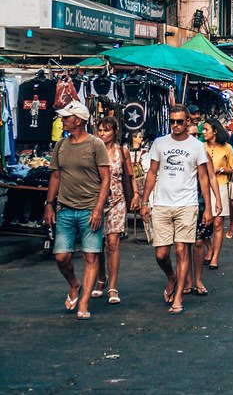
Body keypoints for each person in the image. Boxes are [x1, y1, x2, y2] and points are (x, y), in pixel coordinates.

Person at [141, 105, 213, 315]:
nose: (175, 125)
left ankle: (179, 295)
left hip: (187, 204)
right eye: (172, 121)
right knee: (161, 254)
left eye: (180, 121)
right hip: (162, 204)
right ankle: (171, 276)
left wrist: (208, 207)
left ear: (188, 121)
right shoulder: (160, 143)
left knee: (182, 250)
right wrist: (145, 201)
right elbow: (152, 173)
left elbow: (203, 178)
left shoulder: (196, 146)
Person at [43, 101, 110, 320]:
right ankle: (74, 284)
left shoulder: (95, 145)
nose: (62, 120)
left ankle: (84, 302)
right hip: (65, 209)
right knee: (61, 257)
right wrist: (49, 204)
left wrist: (99, 209)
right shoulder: (60, 146)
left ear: (78, 120)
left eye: (66, 117)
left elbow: (105, 178)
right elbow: (55, 176)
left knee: (91, 257)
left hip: (90, 209)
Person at [93, 117, 136, 305]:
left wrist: (135, 195)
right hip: (96, 201)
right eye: (100, 130)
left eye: (106, 130)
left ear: (114, 132)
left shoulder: (121, 151)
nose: (103, 134)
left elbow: (130, 175)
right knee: (97, 245)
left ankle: (112, 285)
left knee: (113, 243)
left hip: (117, 199)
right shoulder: (93, 151)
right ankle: (101, 277)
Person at [203, 119, 233, 268]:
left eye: (206, 129)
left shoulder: (227, 147)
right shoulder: (200, 147)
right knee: (202, 223)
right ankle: (209, 247)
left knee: (217, 223)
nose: (203, 132)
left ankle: (215, 256)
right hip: (202, 188)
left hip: (221, 186)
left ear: (214, 131)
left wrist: (220, 170)